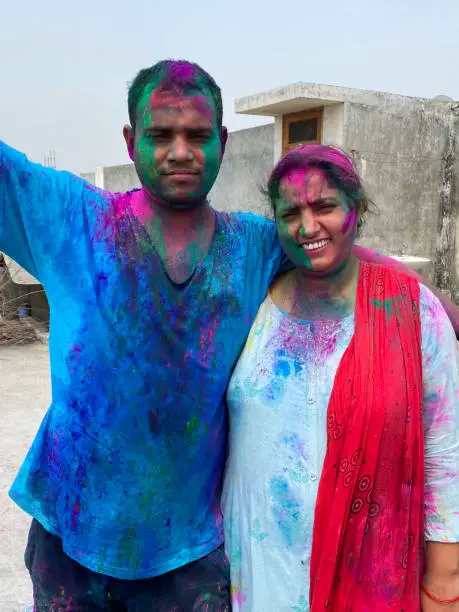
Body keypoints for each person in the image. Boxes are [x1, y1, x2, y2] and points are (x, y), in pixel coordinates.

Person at [1, 60, 458, 610]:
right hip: (70, 544)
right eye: (160, 134)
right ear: (130, 141)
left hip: (190, 558)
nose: (179, 151)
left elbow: (334, 251)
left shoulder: (253, 246)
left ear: (220, 140)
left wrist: (427, 300)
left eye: (197, 135)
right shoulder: (71, 219)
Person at [222, 145, 459, 611]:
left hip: (371, 570)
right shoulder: (253, 305)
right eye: (290, 213)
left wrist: (445, 583)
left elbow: (445, 455)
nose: (307, 227)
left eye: (325, 206)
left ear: (357, 209)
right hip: (259, 569)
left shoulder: (410, 311)